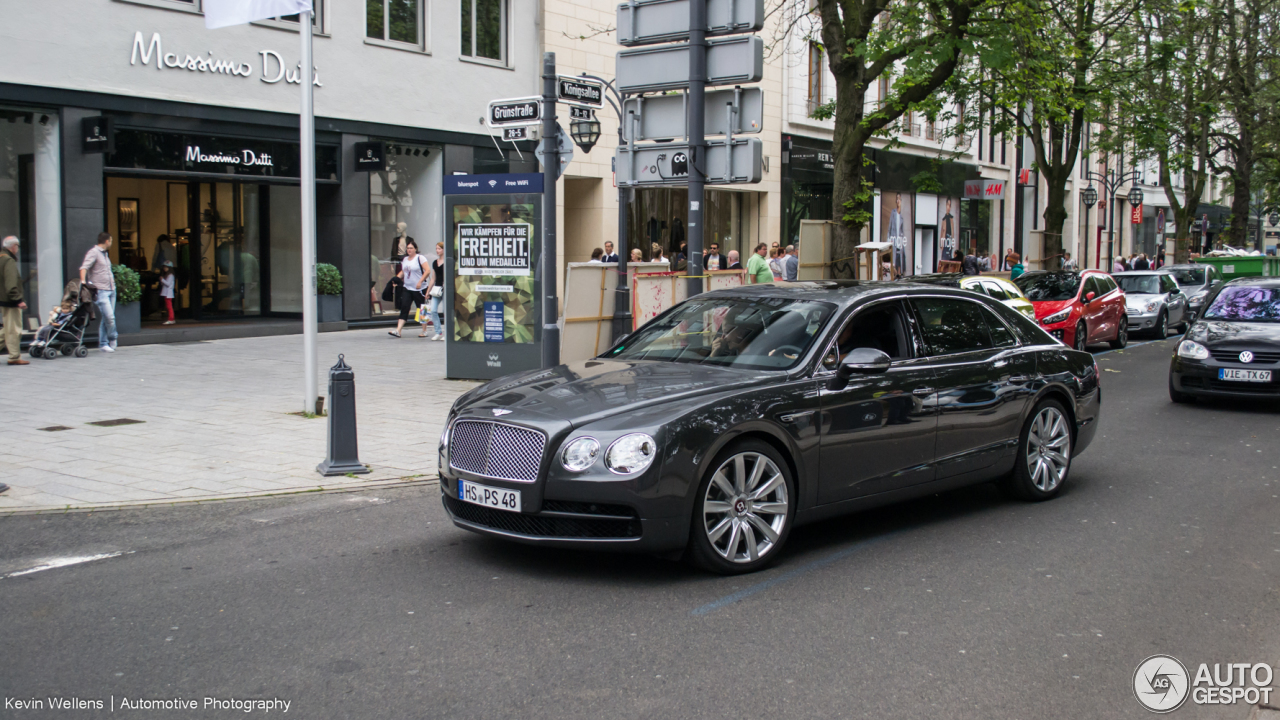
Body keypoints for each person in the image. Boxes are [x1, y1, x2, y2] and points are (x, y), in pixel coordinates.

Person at [80, 232, 117, 353]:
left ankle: (103, 343)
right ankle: (112, 338)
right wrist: (83, 282)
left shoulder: (105, 254)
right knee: (110, 317)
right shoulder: (94, 252)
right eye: (111, 240)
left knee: (107, 318)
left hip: (111, 289)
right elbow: (84, 267)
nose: (111, 243)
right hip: (101, 290)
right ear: (107, 241)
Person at [390, 239, 429, 338]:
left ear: (415, 249)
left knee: (421, 309)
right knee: (404, 307)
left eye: (411, 248)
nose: (409, 250)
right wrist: (396, 279)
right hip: (407, 287)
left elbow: (427, 270)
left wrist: (420, 281)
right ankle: (398, 330)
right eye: (407, 248)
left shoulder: (420, 258)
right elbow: (403, 272)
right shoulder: (405, 259)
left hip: (419, 288)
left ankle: (424, 330)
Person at [1, 235, 29, 369]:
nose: (17, 249)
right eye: (17, 246)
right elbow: (11, 283)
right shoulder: (8, 261)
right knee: (13, 330)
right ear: (13, 247)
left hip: (3, 299)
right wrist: (18, 300)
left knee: (6, 328)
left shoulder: (1, 258)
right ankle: (14, 357)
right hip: (10, 300)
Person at [427, 241, 445, 341]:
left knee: (446, 312)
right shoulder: (435, 262)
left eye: (439, 248)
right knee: (433, 310)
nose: (437, 250)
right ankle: (438, 331)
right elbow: (433, 278)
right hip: (437, 289)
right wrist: (428, 291)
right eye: (436, 248)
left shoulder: (447, 261)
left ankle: (447, 333)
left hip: (446, 288)